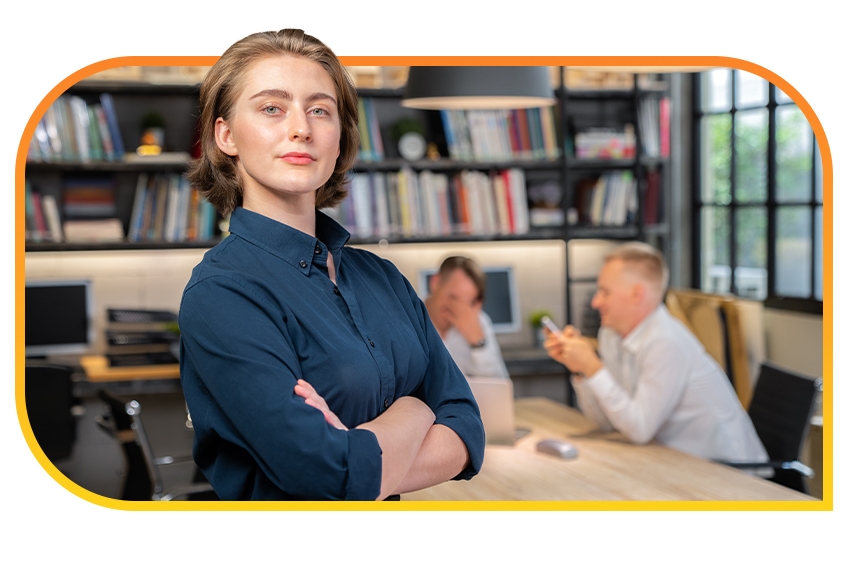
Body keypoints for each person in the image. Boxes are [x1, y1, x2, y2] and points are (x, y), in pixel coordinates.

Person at [178, 29, 484, 501]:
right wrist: (416, 410)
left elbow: (467, 427)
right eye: (272, 108)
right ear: (226, 135)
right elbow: (327, 476)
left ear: (338, 139)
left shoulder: (382, 277)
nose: (301, 127)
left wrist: (363, 459)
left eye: (320, 110)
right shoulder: (222, 292)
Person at [543, 242, 767, 464]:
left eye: (604, 291)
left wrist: (593, 366)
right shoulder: (611, 335)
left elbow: (639, 430)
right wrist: (582, 371)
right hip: (674, 461)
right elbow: (608, 423)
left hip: (731, 473)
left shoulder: (665, 341)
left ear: (636, 294)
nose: (595, 302)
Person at [424, 256, 509, 379]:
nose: (457, 309)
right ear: (435, 282)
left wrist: (478, 343)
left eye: (466, 303)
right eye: (453, 297)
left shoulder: (478, 320)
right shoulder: (408, 318)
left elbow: (500, 385)